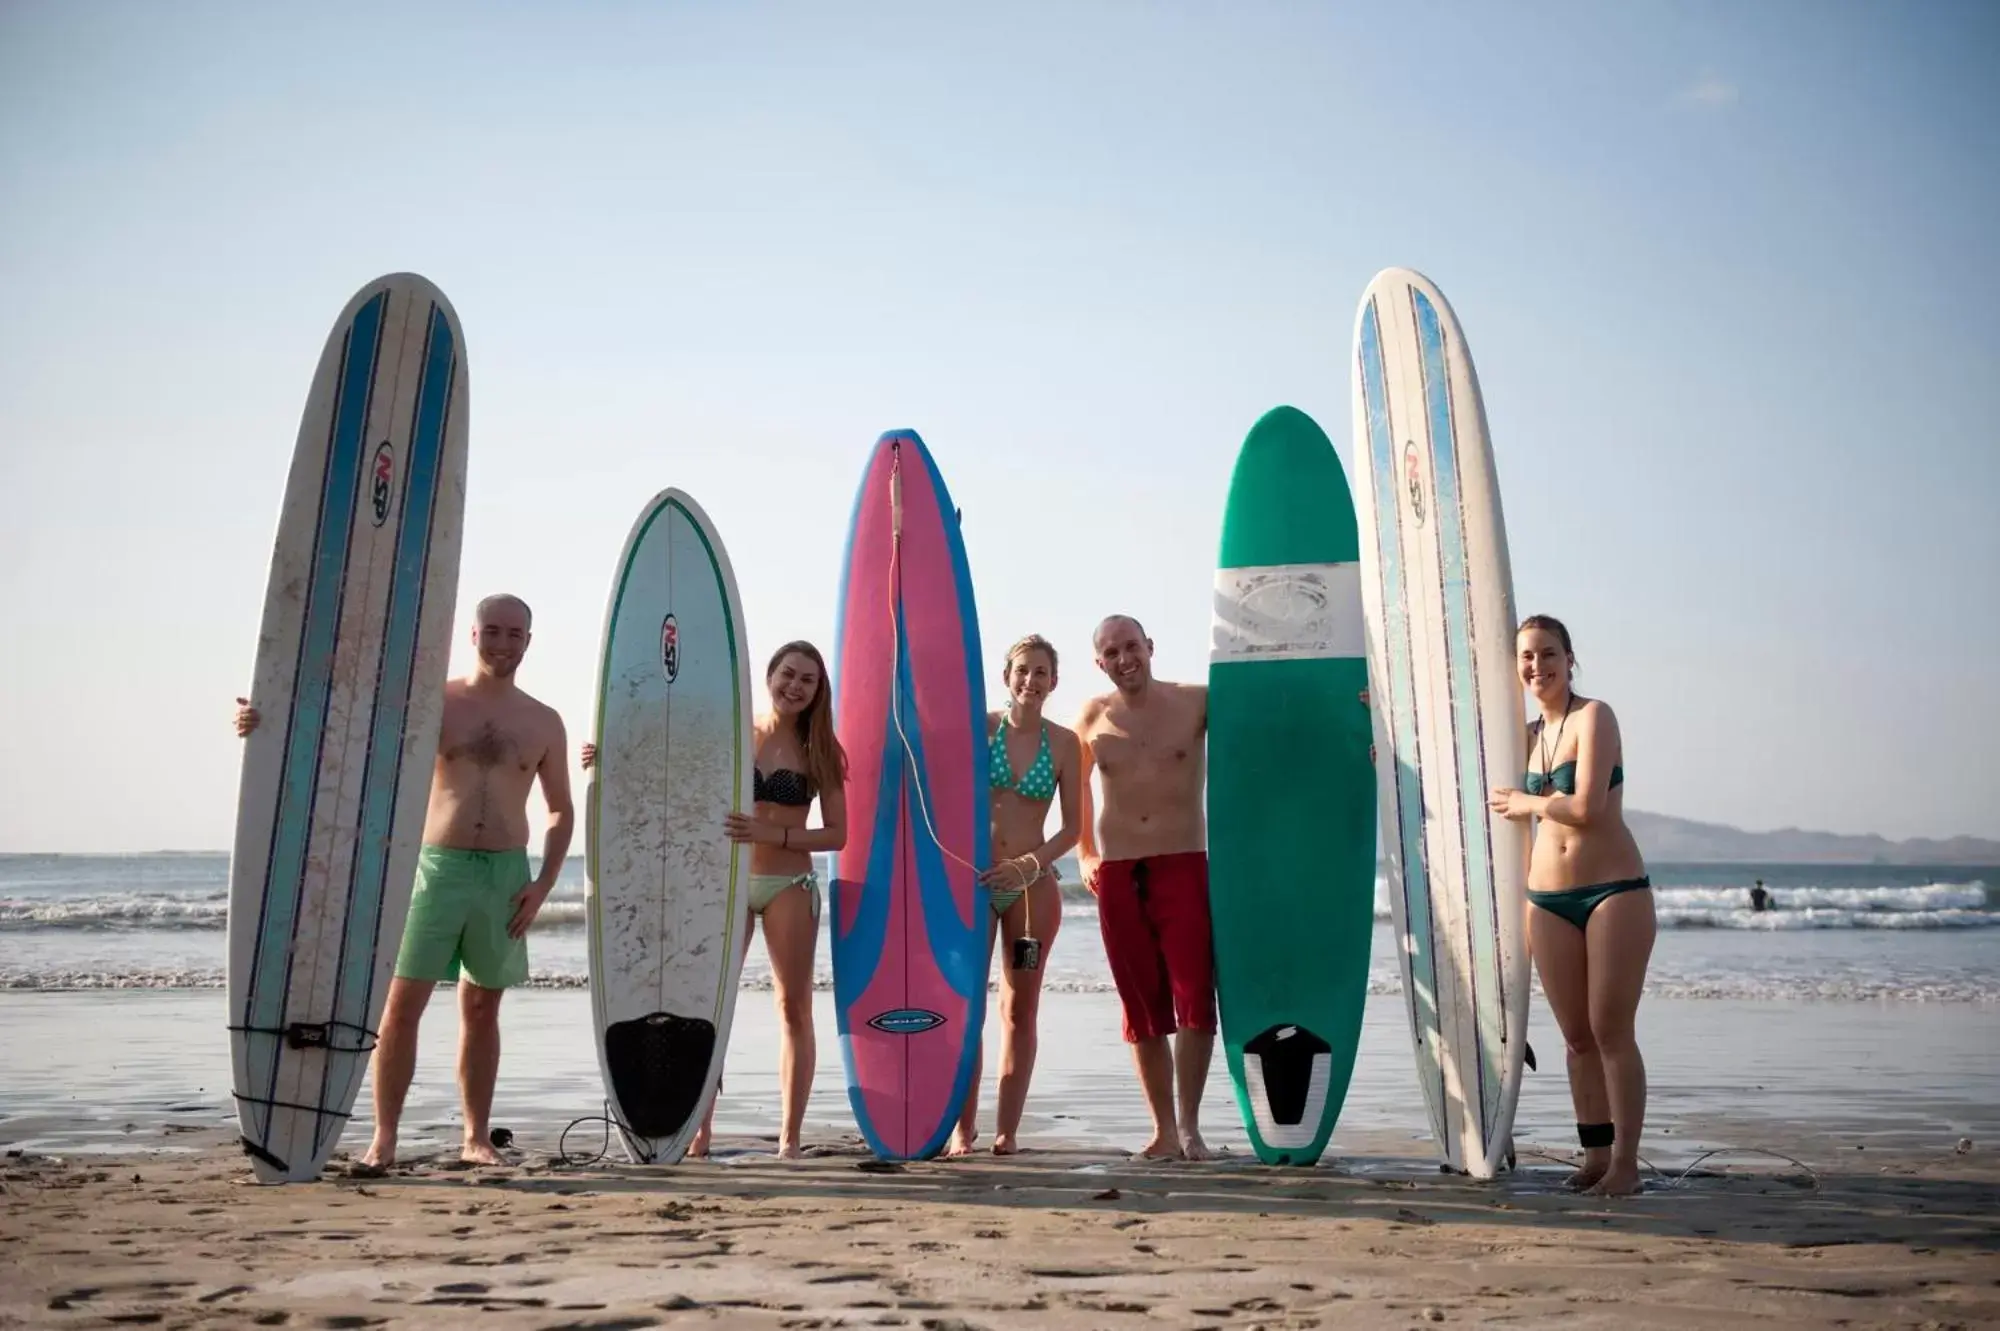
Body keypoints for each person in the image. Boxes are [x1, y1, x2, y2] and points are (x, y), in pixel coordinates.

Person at [233, 593, 575, 1169]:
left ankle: (475, 1138)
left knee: (482, 1010)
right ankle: (383, 1138)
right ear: (473, 635)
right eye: (492, 631)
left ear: (529, 642)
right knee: (400, 1008)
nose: (502, 643)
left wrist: (543, 883)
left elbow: (561, 809)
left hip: (504, 875)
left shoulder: (543, 720)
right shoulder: (430, 703)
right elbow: (341, 734)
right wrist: (261, 720)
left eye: (514, 634)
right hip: (434, 869)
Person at [581, 639, 847, 1160]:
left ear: (818, 691)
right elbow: (664, 774)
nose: (794, 686)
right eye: (787, 674)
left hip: (788, 886)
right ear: (768, 675)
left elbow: (837, 835)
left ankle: (789, 1139)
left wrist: (773, 836)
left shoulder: (821, 749)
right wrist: (606, 759)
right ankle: (697, 1130)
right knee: (708, 1007)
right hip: (721, 884)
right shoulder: (732, 734)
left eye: (807, 680)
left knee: (793, 1007)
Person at [1488, 614, 1653, 1197]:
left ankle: (1627, 1167)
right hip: (1547, 899)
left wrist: (1527, 804)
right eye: (1527, 657)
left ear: (1569, 658)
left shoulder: (1594, 717)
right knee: (1577, 1038)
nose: (1538, 666)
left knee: (1611, 1030)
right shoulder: (1525, 735)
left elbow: (1587, 809)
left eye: (1548, 654)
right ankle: (1595, 1157)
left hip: (1613, 892)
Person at [1073, 614, 1216, 1161]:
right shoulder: (1092, 715)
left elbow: (1265, 723)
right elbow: (1076, 785)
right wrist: (1084, 851)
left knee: (1194, 997)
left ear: (1150, 646)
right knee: (1141, 1007)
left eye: (1131, 646)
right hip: (1119, 871)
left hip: (1184, 861)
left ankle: (1191, 1128)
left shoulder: (1197, 701)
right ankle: (1163, 1132)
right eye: (1111, 652)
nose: (1123, 658)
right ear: (1099, 662)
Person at [945, 634, 1082, 1157]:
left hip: (1031, 891)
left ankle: (1006, 1131)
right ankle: (963, 1129)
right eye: (1022, 670)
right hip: (975, 885)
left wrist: (1027, 865)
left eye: (1042, 672)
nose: (1031, 680)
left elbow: (1072, 830)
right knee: (967, 1010)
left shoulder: (1066, 743)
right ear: (1006, 676)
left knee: (1019, 1011)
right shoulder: (980, 729)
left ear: (1054, 681)